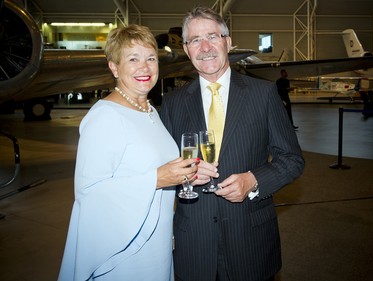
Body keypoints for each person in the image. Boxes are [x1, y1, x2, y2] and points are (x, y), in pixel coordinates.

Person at [160, 6, 305, 281]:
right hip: (194, 244)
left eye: (212, 37)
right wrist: (184, 175)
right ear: (187, 50)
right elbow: (163, 167)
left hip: (250, 240)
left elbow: (292, 159)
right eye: (195, 41)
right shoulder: (173, 103)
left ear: (227, 42)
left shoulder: (263, 94)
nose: (205, 47)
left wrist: (253, 180)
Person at [58, 24, 199, 281]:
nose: (144, 68)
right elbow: (88, 194)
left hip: (156, 243)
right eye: (133, 59)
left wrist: (185, 175)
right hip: (125, 254)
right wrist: (156, 179)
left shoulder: (150, 111)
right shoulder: (104, 116)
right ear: (114, 67)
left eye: (151, 58)